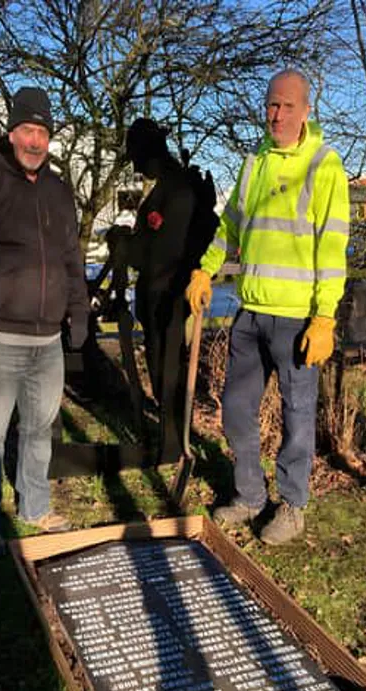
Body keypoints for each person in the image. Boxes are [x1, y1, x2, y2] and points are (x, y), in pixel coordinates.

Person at [185, 69, 349, 545]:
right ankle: (250, 495)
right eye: (272, 105)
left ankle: (293, 505)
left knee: (298, 417)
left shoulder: (324, 165)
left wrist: (325, 316)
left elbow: (332, 247)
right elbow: (229, 227)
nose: (276, 114)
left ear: (306, 111)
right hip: (251, 312)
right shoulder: (253, 164)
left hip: (298, 320)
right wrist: (205, 269)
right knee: (236, 408)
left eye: (287, 106)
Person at [0, 87, 89, 556]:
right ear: (11, 132)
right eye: (27, 130)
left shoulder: (59, 192)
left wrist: (79, 310)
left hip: (47, 340)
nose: (35, 141)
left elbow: (72, 257)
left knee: (39, 429)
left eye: (43, 132)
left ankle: (34, 506)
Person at [123, 118, 217, 464]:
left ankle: (173, 444)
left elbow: (163, 250)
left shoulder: (179, 189)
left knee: (169, 371)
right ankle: (169, 438)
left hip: (172, 295)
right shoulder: (164, 185)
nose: (133, 164)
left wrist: (127, 248)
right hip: (156, 295)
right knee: (160, 367)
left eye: (135, 154)